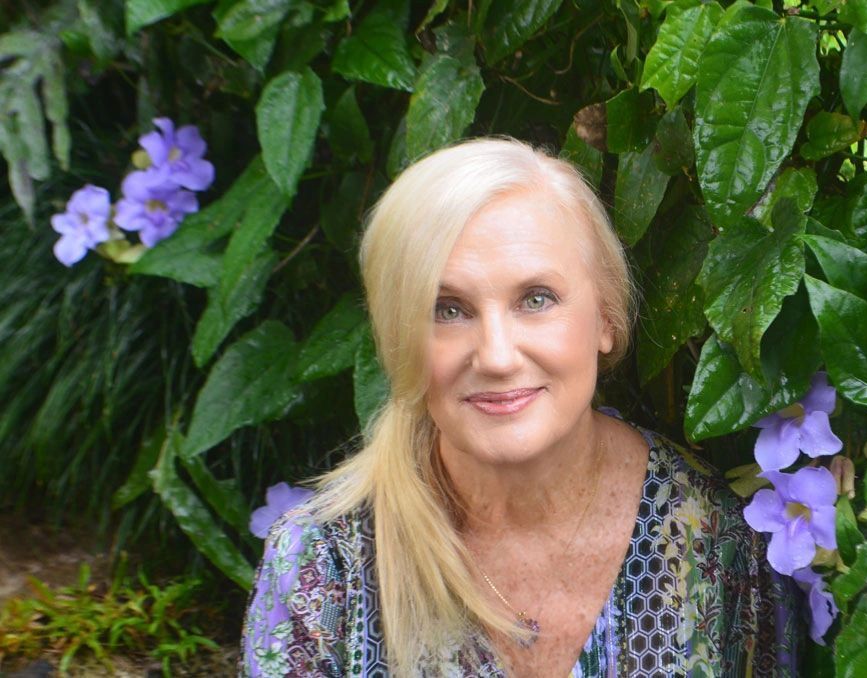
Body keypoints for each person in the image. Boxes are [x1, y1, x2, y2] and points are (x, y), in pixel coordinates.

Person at [239, 138, 800, 677]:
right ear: (396, 338)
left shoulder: (721, 542)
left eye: (536, 299)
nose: (498, 357)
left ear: (606, 316)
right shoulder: (323, 565)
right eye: (447, 309)